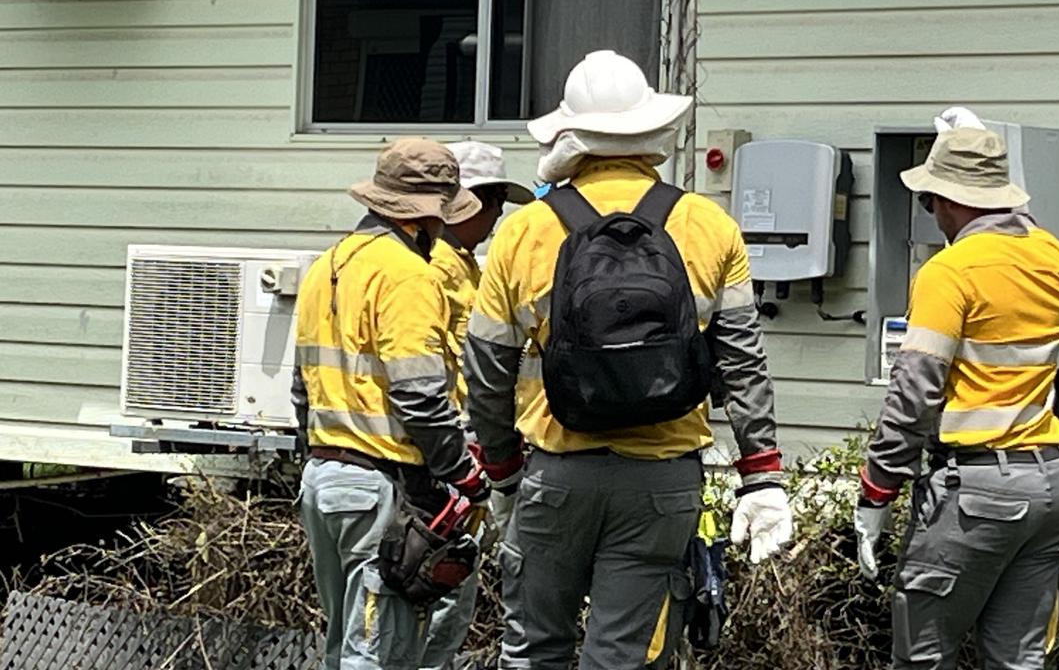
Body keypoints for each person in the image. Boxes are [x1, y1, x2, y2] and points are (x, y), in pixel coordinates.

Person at [462, 49, 793, 670]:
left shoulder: (523, 231)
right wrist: (762, 475)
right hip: (663, 481)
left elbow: (485, 369)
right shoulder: (709, 224)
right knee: (624, 656)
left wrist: (502, 470)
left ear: (569, 134)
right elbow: (743, 364)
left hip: (556, 474)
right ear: (652, 130)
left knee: (534, 650)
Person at [853, 114, 1059, 670]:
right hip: (1051, 486)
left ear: (946, 199)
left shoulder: (949, 271)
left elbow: (913, 395)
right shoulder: (1054, 256)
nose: (930, 214)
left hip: (978, 493)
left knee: (923, 657)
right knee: (1018, 661)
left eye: (929, 201)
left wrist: (877, 491)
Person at [292, 137, 491, 670]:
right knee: (377, 651)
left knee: (344, 643)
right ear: (428, 217)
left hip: (324, 479)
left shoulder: (327, 265)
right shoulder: (409, 275)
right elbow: (419, 394)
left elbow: (300, 387)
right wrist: (464, 475)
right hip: (383, 487)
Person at [421, 141, 533, 670]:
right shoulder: (434, 269)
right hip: (444, 463)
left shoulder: (467, 267)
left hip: (467, 458)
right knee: (437, 593)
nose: (496, 216)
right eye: (490, 201)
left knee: (450, 595)